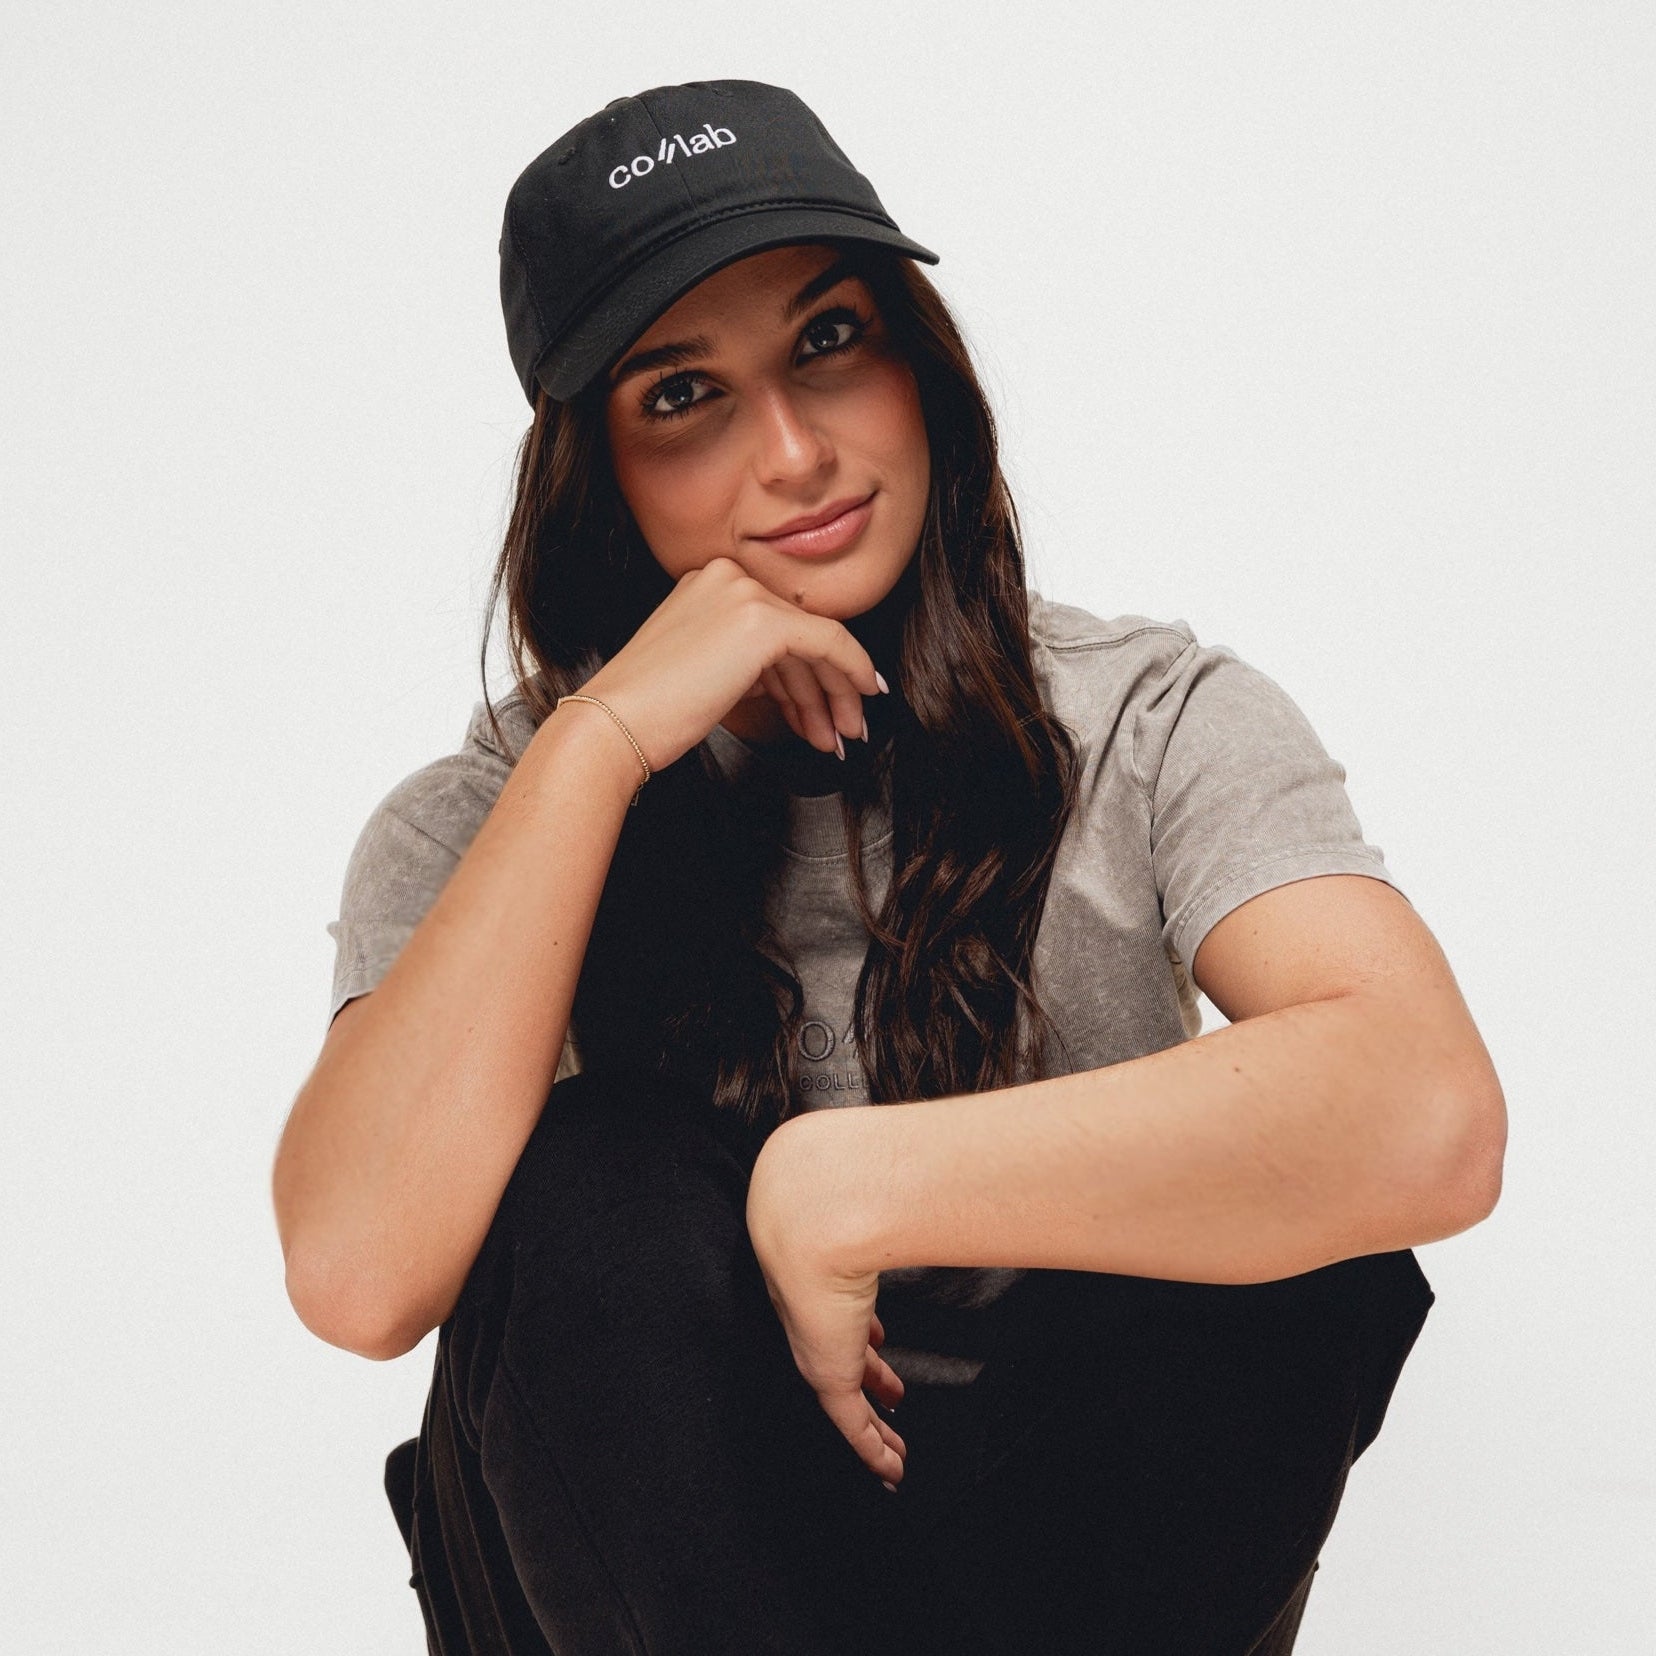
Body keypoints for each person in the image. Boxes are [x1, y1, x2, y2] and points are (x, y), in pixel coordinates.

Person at [272, 79, 1505, 1655]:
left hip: (1075, 1587)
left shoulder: (1149, 720)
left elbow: (1432, 1117)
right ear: (599, 474)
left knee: (1292, 1221)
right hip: (644, 1596)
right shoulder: (484, 820)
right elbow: (361, 1277)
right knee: (595, 1183)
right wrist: (600, 744)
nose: (791, 453)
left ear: (918, 363)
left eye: (830, 341)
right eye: (679, 396)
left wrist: (842, 1184)